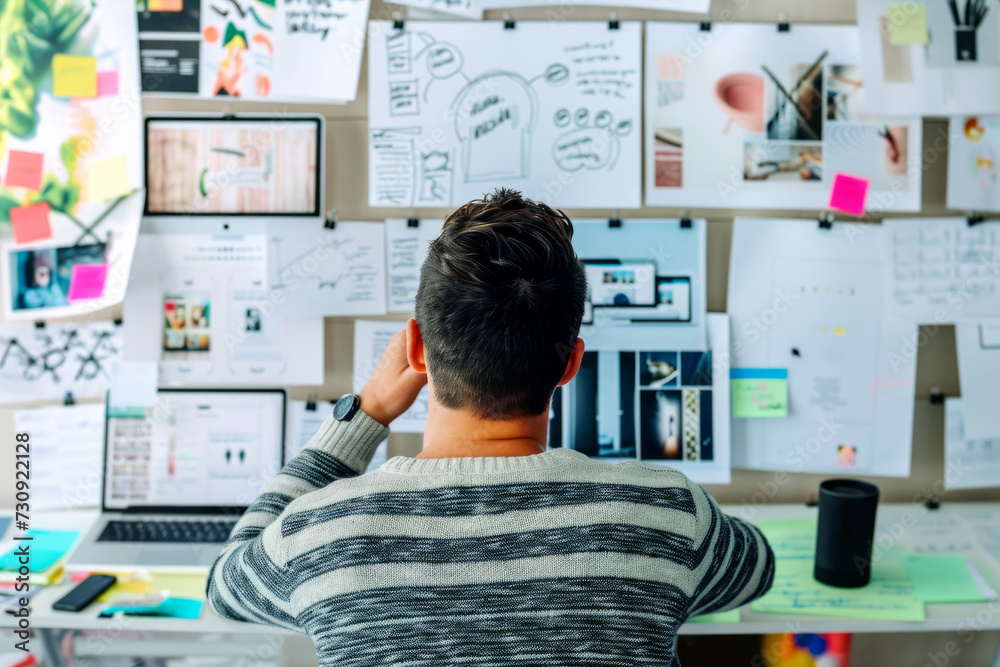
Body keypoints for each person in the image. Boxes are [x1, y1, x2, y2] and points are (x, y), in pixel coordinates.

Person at [207, 189, 775, 666]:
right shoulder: (667, 514)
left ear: (416, 350)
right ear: (571, 364)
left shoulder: (321, 536)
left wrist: (366, 415)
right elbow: (756, 571)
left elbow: (225, 586)